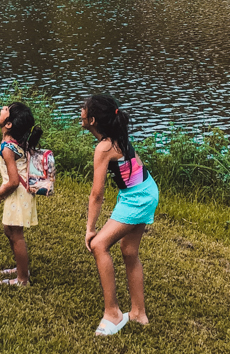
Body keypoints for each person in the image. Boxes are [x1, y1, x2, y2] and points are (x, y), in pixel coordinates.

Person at [82, 94, 159, 336]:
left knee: (99, 245)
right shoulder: (118, 135)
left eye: (83, 110)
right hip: (146, 191)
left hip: (137, 199)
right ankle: (138, 314)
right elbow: (136, 164)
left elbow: (97, 194)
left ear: (92, 120)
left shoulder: (104, 147)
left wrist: (90, 229)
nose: (80, 112)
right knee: (129, 251)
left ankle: (113, 314)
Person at [0, 102, 43, 286]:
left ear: (9, 124)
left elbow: (13, 181)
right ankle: (21, 267)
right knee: (9, 230)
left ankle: (23, 279)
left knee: (16, 234)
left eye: (6, 110)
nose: (3, 108)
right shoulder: (13, 142)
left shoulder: (8, 148)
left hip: (17, 194)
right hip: (20, 194)